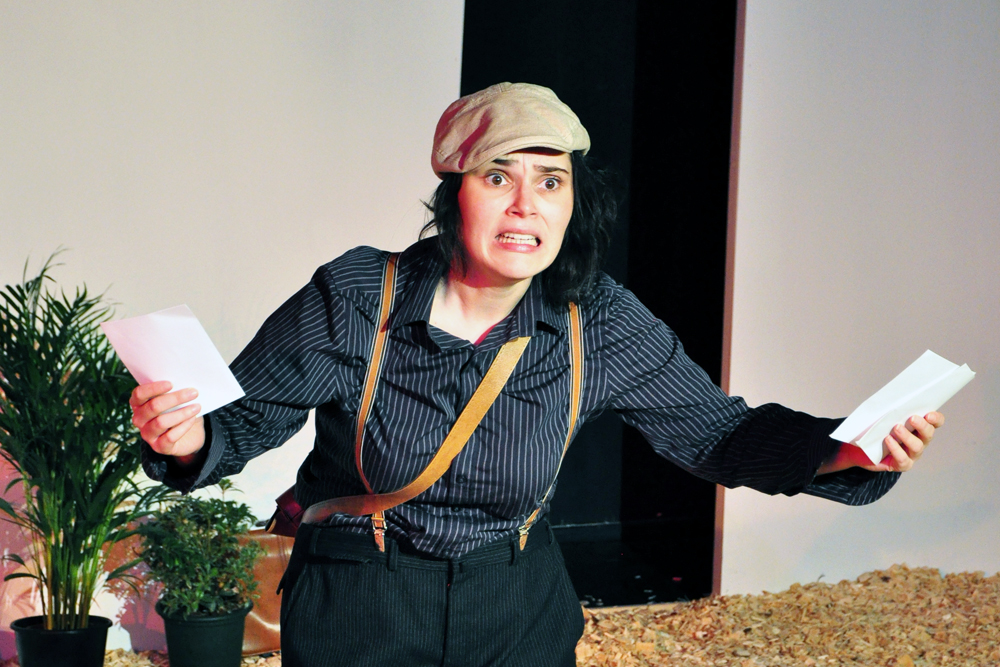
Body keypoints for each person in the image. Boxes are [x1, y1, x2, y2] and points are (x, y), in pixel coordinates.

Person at [131, 83, 943, 667]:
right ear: (455, 194)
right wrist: (188, 436)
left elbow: (718, 432)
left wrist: (843, 449)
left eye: (549, 182)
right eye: (499, 177)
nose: (526, 204)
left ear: (571, 202)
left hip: (515, 607)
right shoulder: (357, 295)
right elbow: (249, 414)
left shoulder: (597, 319)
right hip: (361, 605)